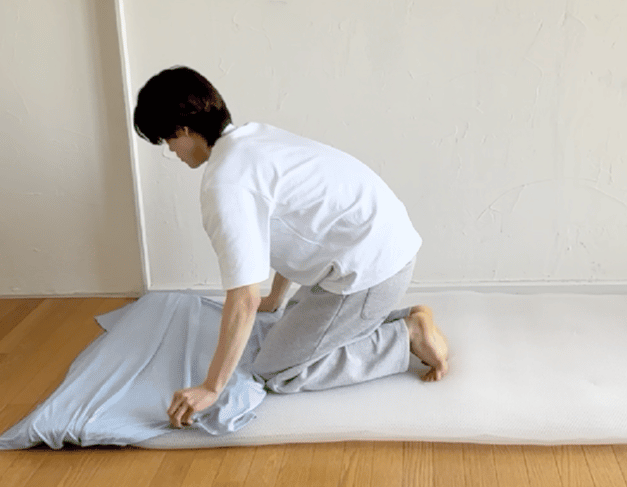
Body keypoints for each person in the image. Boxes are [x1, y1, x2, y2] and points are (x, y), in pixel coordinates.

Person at [133, 66, 449, 429]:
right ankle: (403, 318)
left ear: (183, 130)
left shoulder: (225, 184)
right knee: (288, 332)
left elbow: (243, 298)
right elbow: (293, 229)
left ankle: (405, 336)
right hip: (380, 248)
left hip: (372, 269)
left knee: (276, 369)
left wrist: (211, 387)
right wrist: (276, 299)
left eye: (167, 141)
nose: (171, 151)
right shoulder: (254, 138)